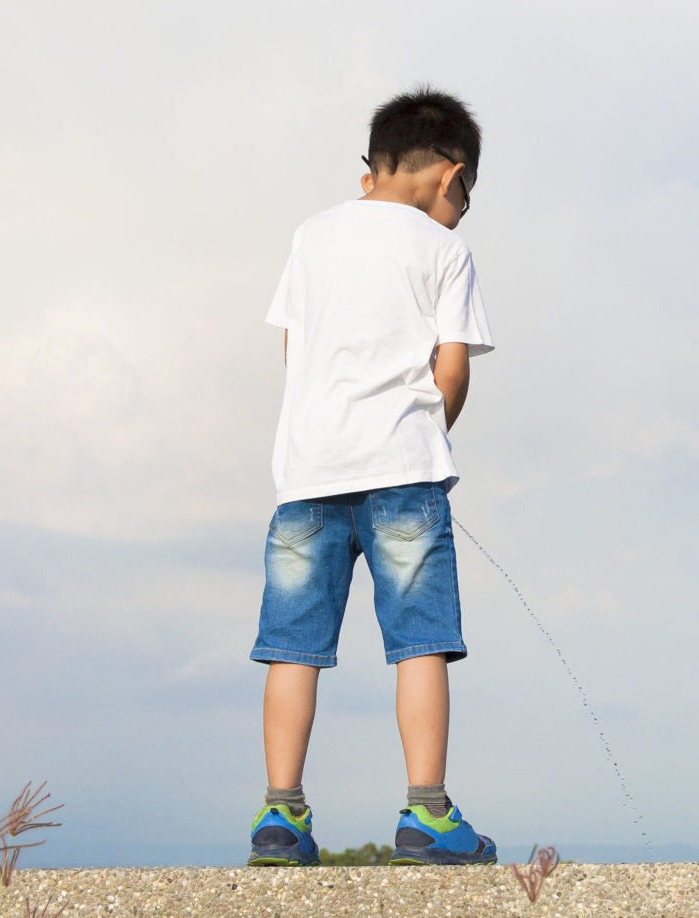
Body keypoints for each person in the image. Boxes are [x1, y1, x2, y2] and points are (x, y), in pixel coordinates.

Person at [246, 86, 497, 867]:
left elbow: (296, 351)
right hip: (404, 478)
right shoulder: (444, 250)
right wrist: (427, 432)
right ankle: (427, 815)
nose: (464, 212)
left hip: (307, 478)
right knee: (420, 643)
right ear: (451, 176)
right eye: (469, 196)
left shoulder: (312, 236)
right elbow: (450, 371)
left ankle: (280, 815)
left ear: (373, 169)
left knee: (294, 646)